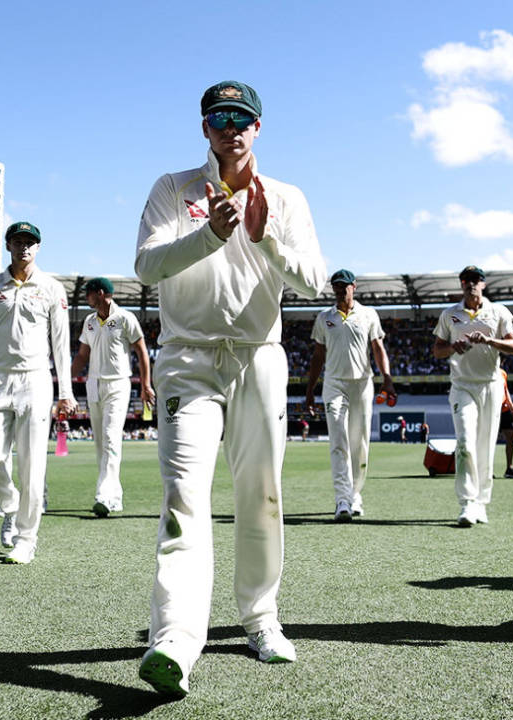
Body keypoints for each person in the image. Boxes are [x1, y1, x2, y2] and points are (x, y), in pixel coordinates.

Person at [133, 80, 326, 697]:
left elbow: (315, 284)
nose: (231, 128)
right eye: (220, 118)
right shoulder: (175, 189)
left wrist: (265, 236)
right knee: (184, 497)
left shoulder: (287, 197)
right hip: (187, 360)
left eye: (242, 118)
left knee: (260, 494)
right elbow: (147, 266)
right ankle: (176, 639)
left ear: (258, 128)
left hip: (259, 358)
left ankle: (260, 619)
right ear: (204, 128)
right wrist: (209, 234)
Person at [0, 221, 76, 565]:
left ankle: (26, 538)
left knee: (33, 465)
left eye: (30, 243)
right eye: (18, 242)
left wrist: (66, 391)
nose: (24, 248)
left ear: (38, 247)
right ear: (8, 246)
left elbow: (61, 345)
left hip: (35, 380)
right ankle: (10, 505)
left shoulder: (51, 288)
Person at [431, 265, 513, 527]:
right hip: (462, 386)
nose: (471, 284)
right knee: (465, 443)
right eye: (466, 280)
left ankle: (482, 502)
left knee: (485, 446)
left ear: (483, 284)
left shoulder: (498, 311)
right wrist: (452, 346)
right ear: (461, 284)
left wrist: (489, 341)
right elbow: (437, 350)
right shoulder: (450, 314)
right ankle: (467, 502)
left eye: (475, 280)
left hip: (491, 385)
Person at [303, 269, 396, 521]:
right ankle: (342, 500)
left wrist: (387, 379)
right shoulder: (324, 318)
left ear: (354, 286)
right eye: (336, 286)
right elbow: (317, 356)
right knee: (338, 440)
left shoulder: (368, 314)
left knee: (360, 443)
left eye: (345, 285)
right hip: (334, 384)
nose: (340, 290)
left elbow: (378, 348)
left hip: (363, 385)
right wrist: (310, 391)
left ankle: (355, 495)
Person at [71, 277, 154, 518]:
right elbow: (82, 357)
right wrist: (65, 385)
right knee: (100, 442)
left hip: (118, 383)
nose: (86, 298)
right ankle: (114, 496)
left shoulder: (125, 318)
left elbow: (141, 351)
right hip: (94, 384)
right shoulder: (89, 321)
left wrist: (146, 384)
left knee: (110, 437)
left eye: (88, 294)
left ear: (100, 293)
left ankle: (104, 496)